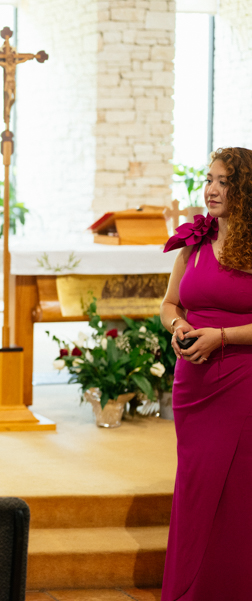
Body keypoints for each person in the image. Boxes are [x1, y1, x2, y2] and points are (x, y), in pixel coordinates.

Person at [160, 147, 252, 600]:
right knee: (195, 487)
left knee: (236, 490)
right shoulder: (193, 241)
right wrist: (179, 326)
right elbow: (169, 303)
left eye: (224, 182)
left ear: (244, 191)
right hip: (192, 385)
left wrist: (223, 336)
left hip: (240, 381)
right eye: (209, 180)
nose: (212, 189)